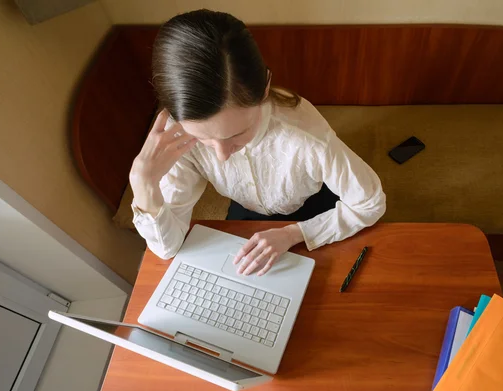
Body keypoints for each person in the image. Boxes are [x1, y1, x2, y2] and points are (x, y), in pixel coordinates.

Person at [130, 10, 386, 277]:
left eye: (236, 135)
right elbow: (167, 248)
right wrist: (143, 185)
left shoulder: (306, 138)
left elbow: (370, 203)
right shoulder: (177, 137)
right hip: (245, 208)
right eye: (203, 139)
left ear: (263, 89)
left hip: (312, 205)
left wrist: (293, 233)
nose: (222, 156)